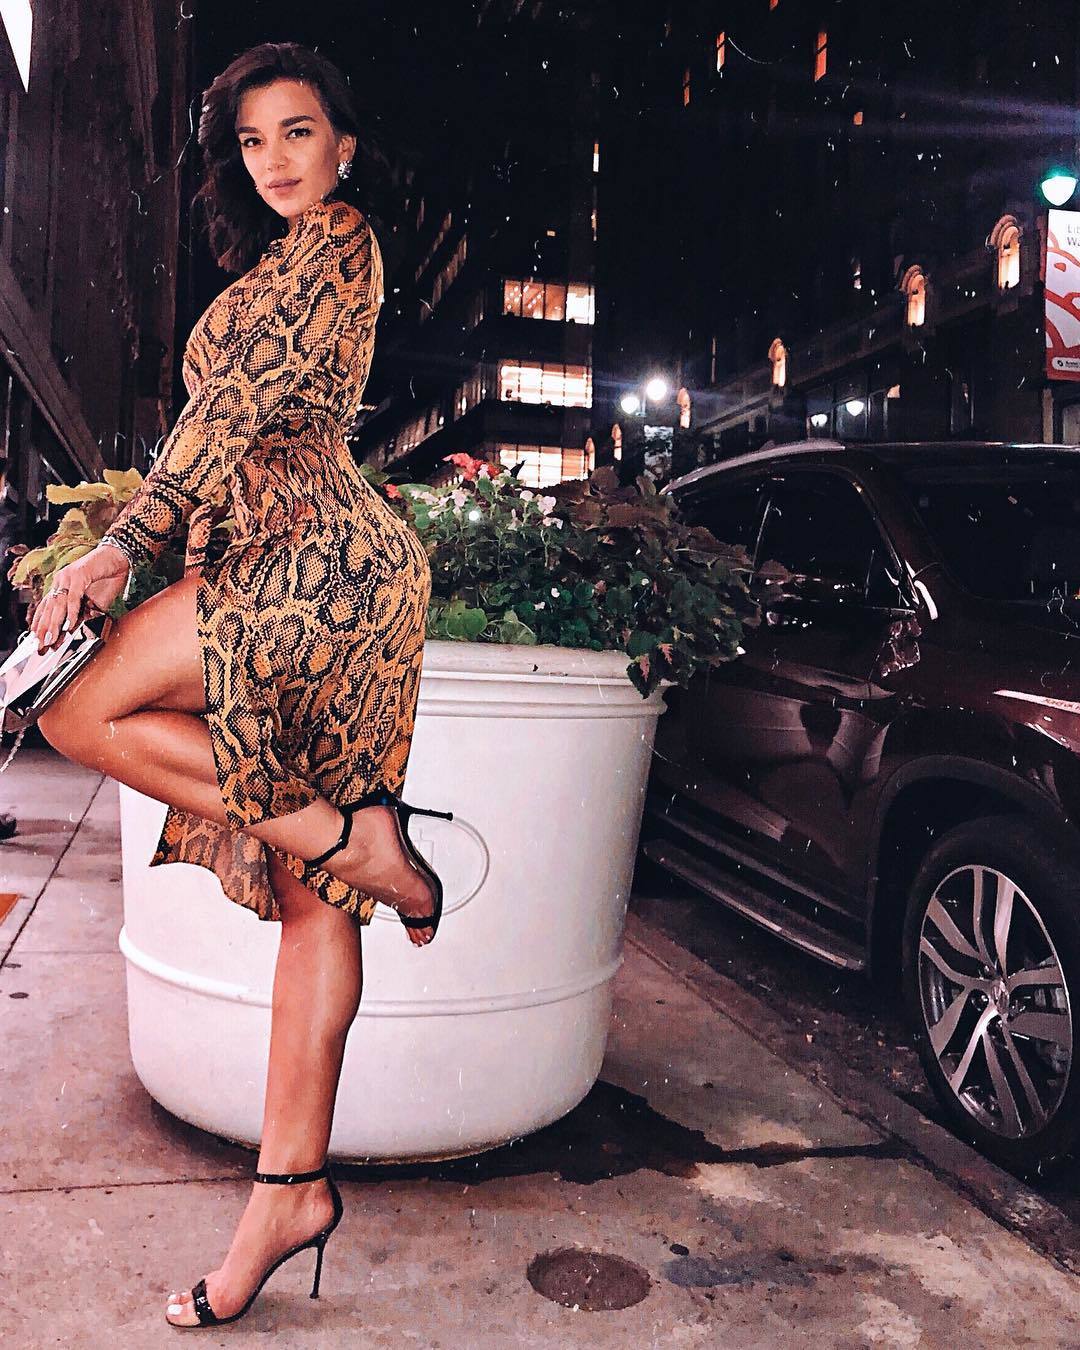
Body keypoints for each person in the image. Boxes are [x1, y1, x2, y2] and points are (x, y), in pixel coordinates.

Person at [29, 43, 452, 1329]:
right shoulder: (276, 263)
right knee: (314, 906)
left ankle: (351, 838)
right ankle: (289, 1190)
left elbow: (227, 418)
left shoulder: (339, 241)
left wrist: (124, 543)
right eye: (254, 138)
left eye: (298, 130)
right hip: (298, 564)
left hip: (314, 558)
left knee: (76, 707)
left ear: (343, 146)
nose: (274, 158)